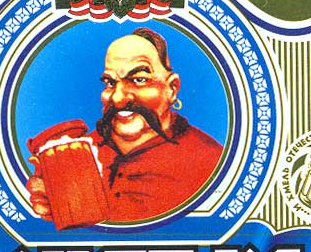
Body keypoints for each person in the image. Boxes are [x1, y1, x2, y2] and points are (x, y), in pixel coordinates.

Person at [27, 28, 223, 223]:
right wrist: (50, 196)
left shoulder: (211, 162)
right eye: (110, 83)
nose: (118, 98)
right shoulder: (81, 152)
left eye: (139, 80)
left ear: (172, 89)